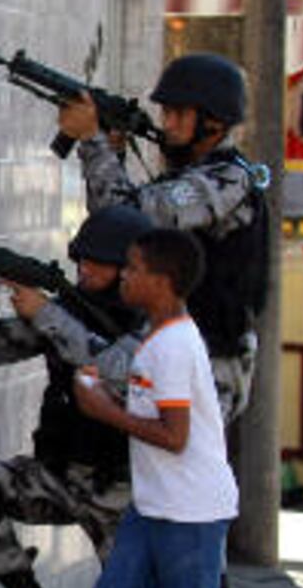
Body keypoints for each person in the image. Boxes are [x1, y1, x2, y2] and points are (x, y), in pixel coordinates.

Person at [73, 228, 303, 588]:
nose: (124, 276)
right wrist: (107, 388)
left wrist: (104, 410)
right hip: (155, 505)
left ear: (162, 281)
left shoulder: (172, 346)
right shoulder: (159, 338)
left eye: (134, 268)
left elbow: (174, 437)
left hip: (188, 512)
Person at [0, 205, 151, 588]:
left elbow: (116, 370)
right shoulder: (69, 310)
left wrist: (49, 316)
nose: (85, 270)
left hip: (122, 491)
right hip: (55, 476)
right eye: (81, 260)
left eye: (98, 262)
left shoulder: (155, 324)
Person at [59, 53, 267, 426]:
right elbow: (119, 221)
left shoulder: (226, 180)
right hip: (173, 348)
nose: (166, 123)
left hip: (210, 359)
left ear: (213, 122)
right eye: (166, 112)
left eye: (178, 114)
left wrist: (93, 142)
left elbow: (130, 216)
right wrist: (113, 149)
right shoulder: (195, 174)